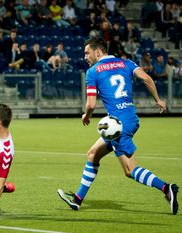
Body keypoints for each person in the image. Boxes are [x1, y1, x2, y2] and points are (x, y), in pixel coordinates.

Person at [57, 37, 179, 215]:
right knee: (93, 154)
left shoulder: (93, 72)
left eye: (87, 52)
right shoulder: (126, 62)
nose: (85, 56)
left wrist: (87, 116)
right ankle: (77, 199)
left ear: (98, 51)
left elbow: (90, 105)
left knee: (130, 170)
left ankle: (167, 188)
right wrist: (158, 100)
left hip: (117, 125)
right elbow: (146, 78)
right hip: (129, 118)